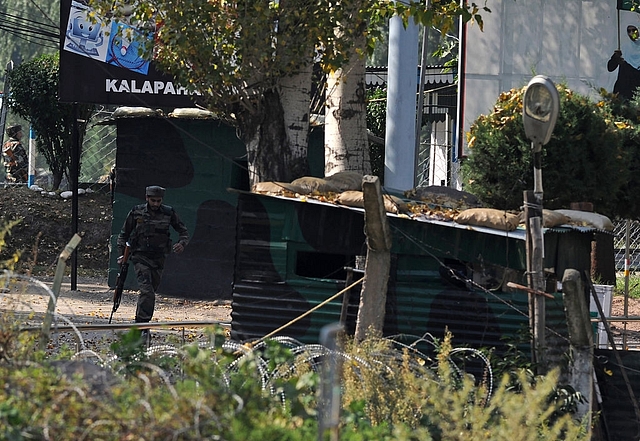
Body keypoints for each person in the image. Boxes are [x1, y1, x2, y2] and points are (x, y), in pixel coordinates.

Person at [116, 185, 189, 343]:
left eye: (159, 201)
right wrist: (122, 255)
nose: (156, 204)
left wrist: (182, 243)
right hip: (140, 257)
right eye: (153, 200)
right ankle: (142, 325)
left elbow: (183, 231)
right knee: (147, 291)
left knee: (149, 293)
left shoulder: (168, 213)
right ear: (147, 198)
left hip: (158, 259)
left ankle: (139, 322)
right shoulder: (137, 212)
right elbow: (123, 234)